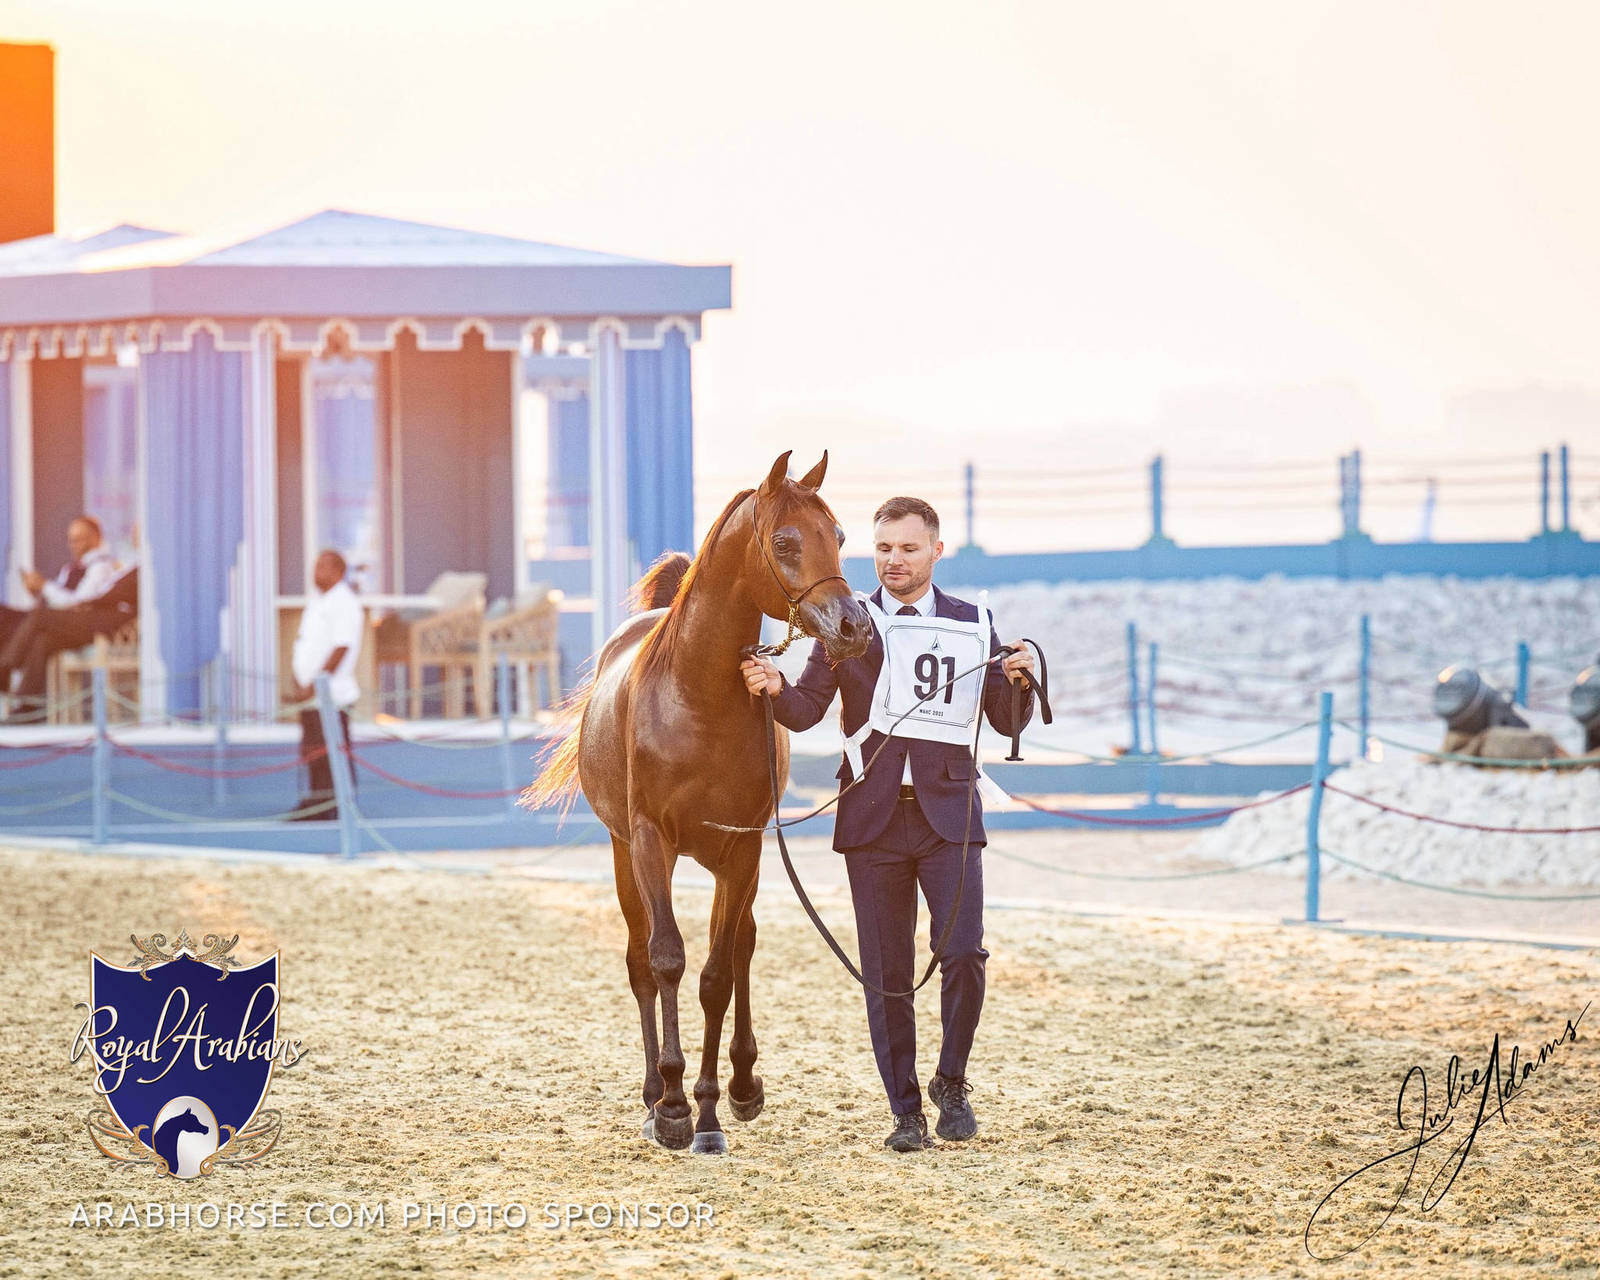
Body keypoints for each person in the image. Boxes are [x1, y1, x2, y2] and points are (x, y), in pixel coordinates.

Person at [740, 496, 1035, 1152]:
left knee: (964, 954)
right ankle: (906, 1113)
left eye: (907, 548)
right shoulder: (849, 620)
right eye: (882, 549)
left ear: (936, 550)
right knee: (886, 973)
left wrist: (1018, 680)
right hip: (872, 820)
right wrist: (774, 687)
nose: (893, 560)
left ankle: (951, 1082)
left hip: (948, 815)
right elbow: (806, 709)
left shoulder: (973, 623)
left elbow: (1004, 720)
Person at [0, 565, 139, 722]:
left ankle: (4, 667)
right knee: (42, 640)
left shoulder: (115, 567)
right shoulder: (75, 569)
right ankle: (27, 708)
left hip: (102, 621)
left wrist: (82, 602)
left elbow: (87, 599)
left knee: (40, 616)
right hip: (79, 617)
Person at [287, 550, 363, 821]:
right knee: (312, 752)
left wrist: (316, 684)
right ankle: (316, 802)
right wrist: (299, 681)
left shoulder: (344, 602)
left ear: (339, 572)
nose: (316, 572)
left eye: (323, 567)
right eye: (315, 566)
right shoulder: (318, 601)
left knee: (331, 752)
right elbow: (306, 643)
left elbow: (341, 647)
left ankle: (336, 803)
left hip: (332, 694)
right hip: (311, 695)